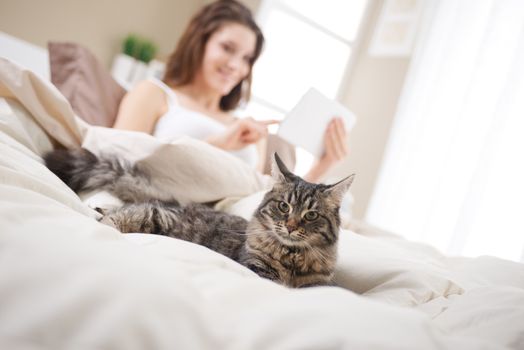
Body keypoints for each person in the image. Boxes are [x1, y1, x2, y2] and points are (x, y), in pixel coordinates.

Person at [113, 0, 348, 182]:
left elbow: (261, 207)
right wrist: (215, 146)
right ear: (200, 42)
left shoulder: (248, 131)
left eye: (247, 58)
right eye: (227, 48)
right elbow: (113, 165)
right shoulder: (154, 94)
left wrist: (323, 165)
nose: (236, 66)